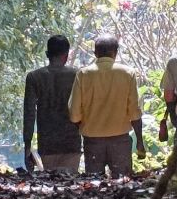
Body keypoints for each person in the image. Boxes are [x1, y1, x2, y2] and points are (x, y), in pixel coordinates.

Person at [68, 34, 146, 177]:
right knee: (123, 183)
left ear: (95, 53)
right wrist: (140, 142)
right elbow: (134, 111)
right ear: (115, 52)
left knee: (94, 183)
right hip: (120, 140)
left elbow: (74, 114)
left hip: (92, 140)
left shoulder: (83, 74)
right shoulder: (128, 73)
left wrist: (84, 127)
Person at [23, 35, 82, 172]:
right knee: (71, 184)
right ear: (66, 55)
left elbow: (29, 113)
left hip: (48, 143)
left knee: (52, 183)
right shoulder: (77, 75)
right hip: (71, 141)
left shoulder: (34, 77)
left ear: (47, 54)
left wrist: (27, 146)